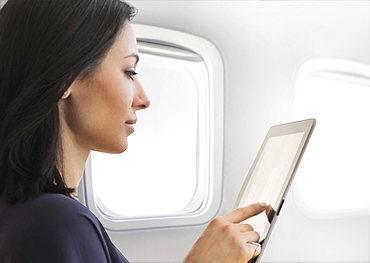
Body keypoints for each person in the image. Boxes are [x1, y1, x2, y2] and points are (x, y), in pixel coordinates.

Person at [0, 0, 267, 262]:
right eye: (129, 71)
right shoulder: (57, 221)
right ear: (65, 80)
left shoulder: (27, 211)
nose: (144, 98)